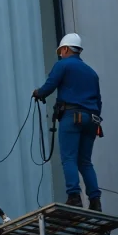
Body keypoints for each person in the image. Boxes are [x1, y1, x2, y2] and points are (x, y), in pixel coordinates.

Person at [33, 33, 103, 211]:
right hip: (92, 119)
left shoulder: (63, 65)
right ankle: (95, 201)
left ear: (65, 49)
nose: (60, 54)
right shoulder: (92, 73)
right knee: (85, 161)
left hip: (72, 117)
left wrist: (38, 93)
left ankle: (74, 196)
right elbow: (99, 101)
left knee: (69, 158)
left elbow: (50, 85)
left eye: (61, 51)